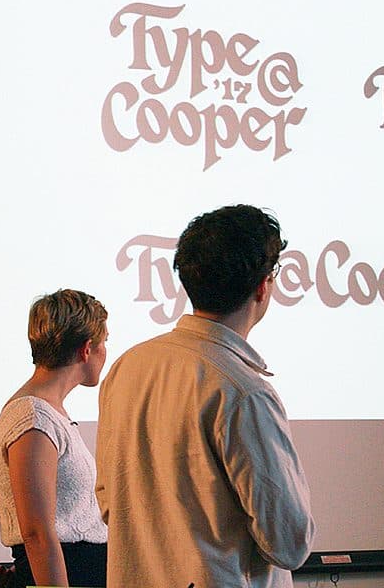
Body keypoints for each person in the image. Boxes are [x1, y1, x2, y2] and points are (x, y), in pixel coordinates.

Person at [96, 204, 315, 588]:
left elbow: (110, 502)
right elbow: (289, 541)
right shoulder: (243, 391)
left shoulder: (126, 368)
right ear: (263, 286)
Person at [0, 289, 109, 588]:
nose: (106, 350)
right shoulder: (32, 417)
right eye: (105, 342)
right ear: (86, 348)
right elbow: (37, 532)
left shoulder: (48, 413)